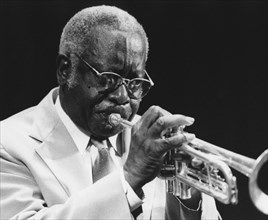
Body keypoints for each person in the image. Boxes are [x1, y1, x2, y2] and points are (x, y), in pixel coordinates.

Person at [0, 5, 221, 220]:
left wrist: (191, 200)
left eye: (135, 83)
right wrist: (130, 177)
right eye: (108, 79)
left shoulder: (153, 139)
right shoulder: (8, 143)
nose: (123, 97)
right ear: (65, 70)